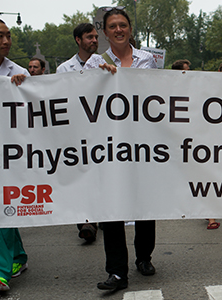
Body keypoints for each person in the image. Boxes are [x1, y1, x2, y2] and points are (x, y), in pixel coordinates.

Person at [83, 7, 157, 291]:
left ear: (129, 29)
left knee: (145, 203)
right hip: (109, 147)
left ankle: (144, 256)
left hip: (143, 145)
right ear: (104, 32)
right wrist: (99, 79)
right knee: (111, 207)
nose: (118, 30)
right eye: (112, 26)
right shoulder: (93, 64)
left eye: (123, 25)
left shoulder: (146, 60)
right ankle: (116, 272)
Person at [56, 23, 100, 243]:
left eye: (95, 37)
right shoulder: (64, 69)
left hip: (101, 131)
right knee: (80, 175)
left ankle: (95, 217)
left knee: (98, 175)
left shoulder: (106, 64)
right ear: (78, 40)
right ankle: (86, 222)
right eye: (89, 37)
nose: (94, 40)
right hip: (75, 131)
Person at [0, 18, 29, 292]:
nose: (6, 41)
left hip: (9, 149)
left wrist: (22, 87)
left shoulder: (16, 71)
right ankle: (17, 256)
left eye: (8, 35)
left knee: (1, 206)